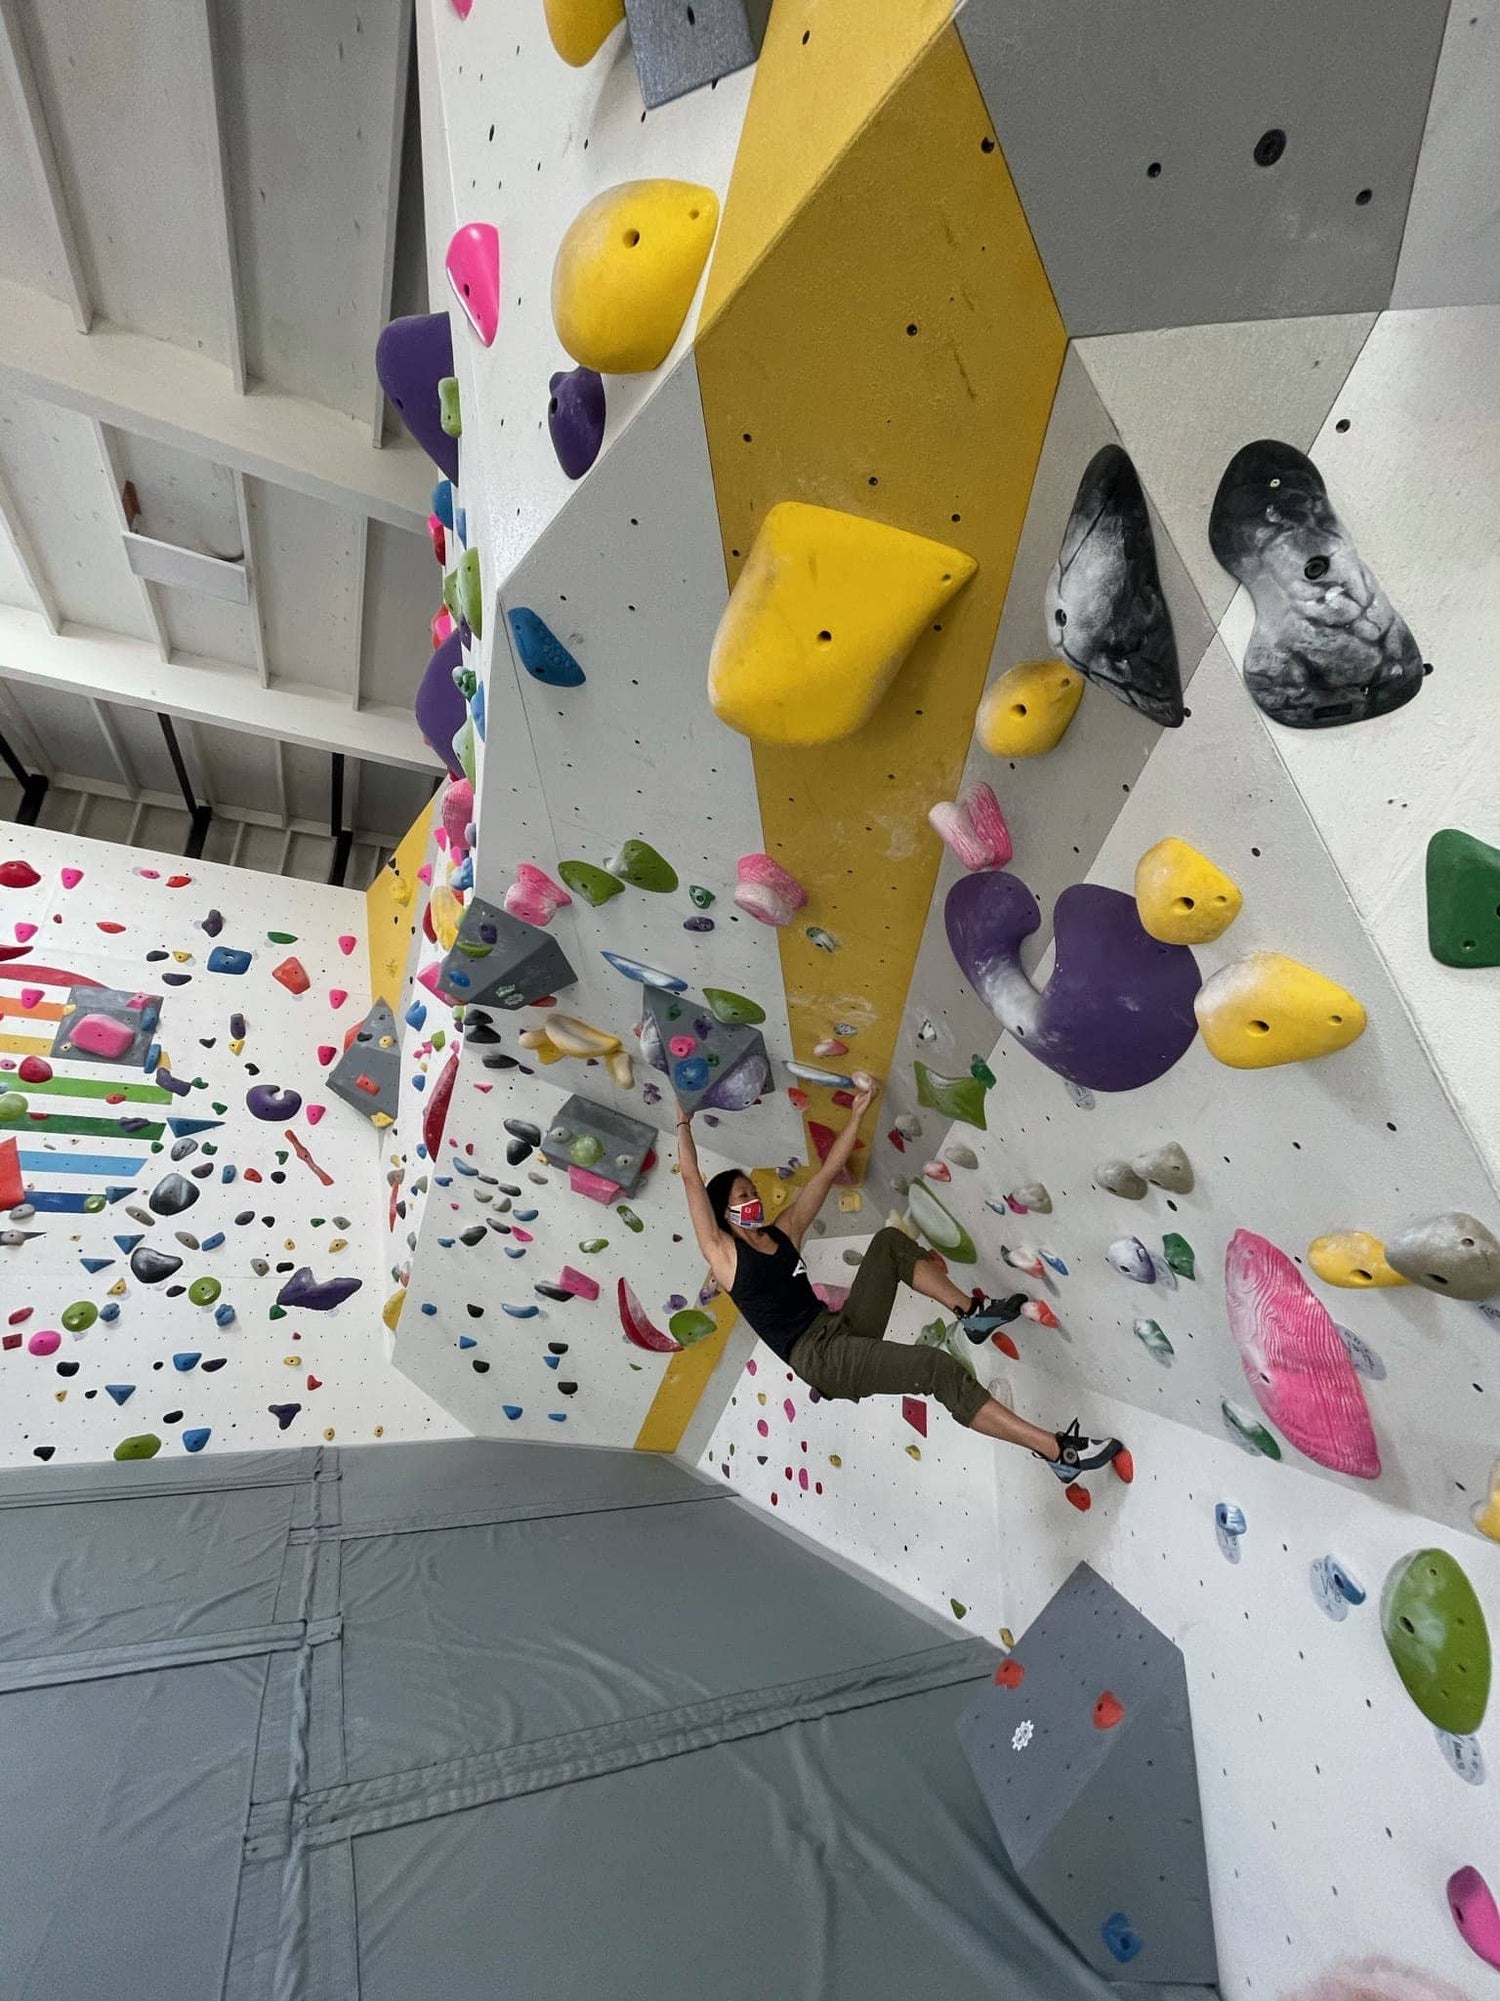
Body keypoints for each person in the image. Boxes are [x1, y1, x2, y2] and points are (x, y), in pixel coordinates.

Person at [675, 1091, 1124, 1490]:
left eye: (751, 1190)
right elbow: (692, 1180)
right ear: (724, 1214)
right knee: (935, 1369)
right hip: (819, 1358)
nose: (751, 1197)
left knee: (888, 1243)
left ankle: (972, 1314)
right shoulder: (726, 1257)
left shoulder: (785, 1230)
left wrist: (857, 1112)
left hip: (837, 1327)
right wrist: (682, 1118)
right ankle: (1055, 1452)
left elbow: (828, 1173)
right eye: (740, 1196)